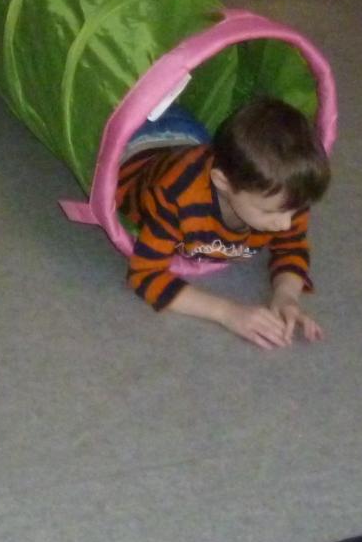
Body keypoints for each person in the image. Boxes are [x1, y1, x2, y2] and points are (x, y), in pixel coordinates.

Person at [114, 96, 328, 351]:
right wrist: (227, 312)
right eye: (270, 212)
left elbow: (292, 246)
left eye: (295, 211)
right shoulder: (175, 196)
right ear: (223, 182)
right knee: (136, 105)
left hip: (195, 140)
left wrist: (286, 295)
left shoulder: (284, 198)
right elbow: (144, 275)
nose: (285, 224)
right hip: (142, 144)